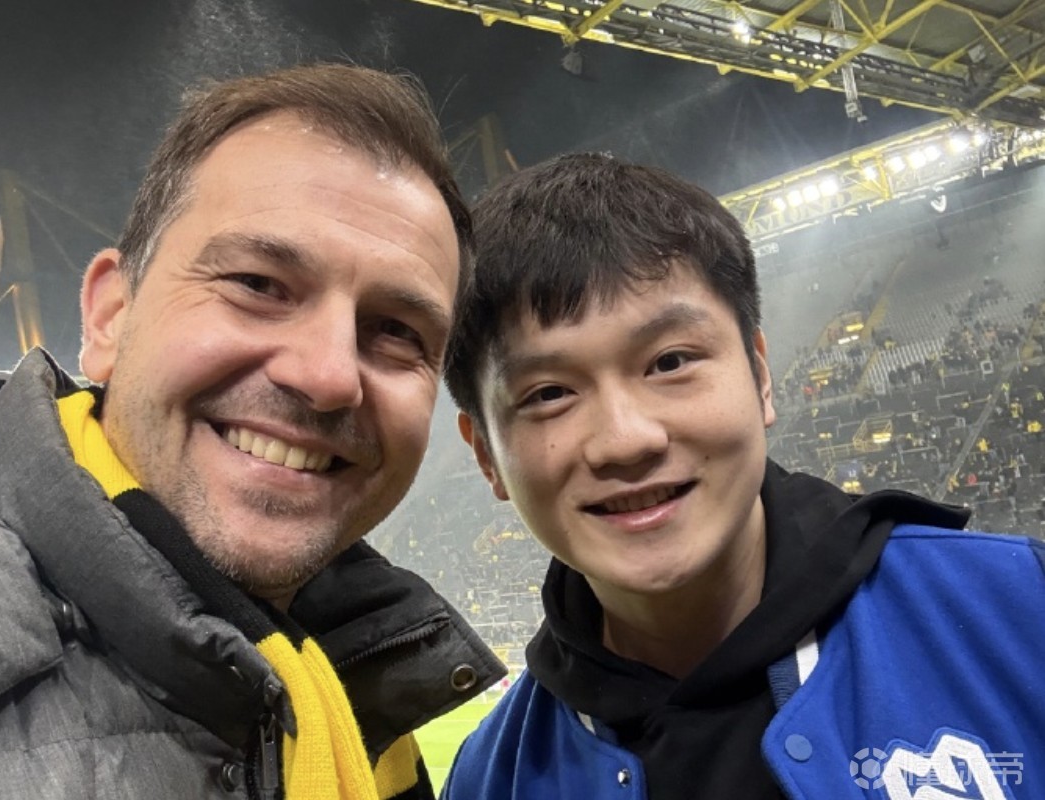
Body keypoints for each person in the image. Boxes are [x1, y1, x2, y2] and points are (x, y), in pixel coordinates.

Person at [440, 153, 1045, 799]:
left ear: (760, 376)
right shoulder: (487, 780)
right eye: (548, 394)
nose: (625, 440)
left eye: (670, 362)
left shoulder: (1021, 609)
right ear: (486, 457)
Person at [0, 63, 504, 799]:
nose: (328, 376)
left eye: (396, 331)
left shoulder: (355, 681)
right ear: (110, 316)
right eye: (258, 285)